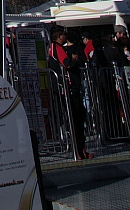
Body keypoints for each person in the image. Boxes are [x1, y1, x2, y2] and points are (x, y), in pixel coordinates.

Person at [47, 28, 92, 160]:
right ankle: (79, 150)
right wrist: (73, 59)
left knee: (77, 117)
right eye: (64, 35)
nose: (66, 37)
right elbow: (67, 63)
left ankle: (80, 150)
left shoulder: (52, 48)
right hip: (69, 88)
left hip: (65, 88)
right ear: (59, 36)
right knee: (77, 118)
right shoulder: (57, 47)